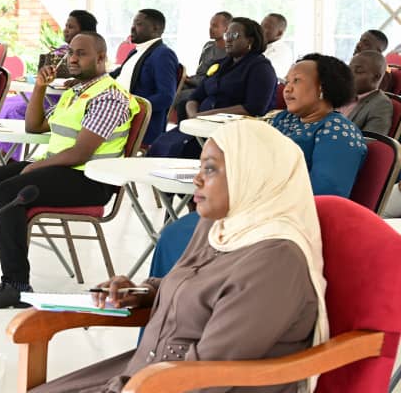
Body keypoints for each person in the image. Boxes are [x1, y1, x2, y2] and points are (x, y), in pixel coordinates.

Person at [33, 120, 327, 393]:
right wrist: (142, 292)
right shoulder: (221, 225)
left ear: (252, 176)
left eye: (210, 169)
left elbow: (206, 376)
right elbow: (198, 289)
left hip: (179, 384)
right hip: (146, 373)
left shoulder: (275, 262)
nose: (196, 179)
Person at [0, 31, 140, 309]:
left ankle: (16, 286)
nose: (73, 59)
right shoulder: (74, 91)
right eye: (72, 53)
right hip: (63, 169)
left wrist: (35, 166)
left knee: (8, 191)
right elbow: (35, 127)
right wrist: (42, 86)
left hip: (90, 179)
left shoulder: (110, 97)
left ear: (102, 58)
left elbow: (81, 153)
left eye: (82, 53)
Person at [150, 53, 366, 279]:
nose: (287, 88)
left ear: (323, 88)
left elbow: (324, 194)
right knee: (175, 233)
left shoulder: (337, 133)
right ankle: (162, 302)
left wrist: (256, 204)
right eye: (288, 81)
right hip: (250, 209)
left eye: (297, 81)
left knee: (186, 236)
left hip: (284, 224)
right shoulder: (283, 120)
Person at [151, 17, 276, 159]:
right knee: (160, 145)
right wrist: (193, 116)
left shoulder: (260, 68)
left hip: (228, 132)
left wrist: (207, 115)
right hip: (199, 125)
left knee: (178, 151)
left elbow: (254, 108)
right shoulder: (221, 65)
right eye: (227, 34)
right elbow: (195, 97)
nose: (228, 39)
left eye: (234, 35)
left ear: (250, 41)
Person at [0, 10, 99, 159]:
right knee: (5, 104)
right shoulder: (63, 51)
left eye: (71, 27)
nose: (66, 30)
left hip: (60, 100)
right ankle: (3, 156)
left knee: (15, 110)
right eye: (66, 26)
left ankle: (9, 159)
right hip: (46, 93)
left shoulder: (92, 58)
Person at [110, 9, 178, 146]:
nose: (132, 28)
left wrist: (129, 106)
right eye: (133, 23)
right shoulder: (136, 51)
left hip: (136, 123)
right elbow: (117, 73)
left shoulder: (163, 54)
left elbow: (165, 97)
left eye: (139, 24)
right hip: (115, 112)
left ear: (155, 28)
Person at [172, 11, 232, 113]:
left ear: (226, 29)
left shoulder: (229, 53)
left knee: (178, 96)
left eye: (215, 26)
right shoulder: (208, 46)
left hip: (206, 88)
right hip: (194, 82)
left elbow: (215, 80)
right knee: (170, 87)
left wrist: (190, 80)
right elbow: (200, 73)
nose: (210, 29)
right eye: (210, 25)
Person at [341, 50, 394, 136]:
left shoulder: (381, 104)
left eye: (358, 71)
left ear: (376, 77)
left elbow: (372, 142)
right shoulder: (340, 94)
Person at [261, 12, 293, 80]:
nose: (261, 29)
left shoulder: (283, 51)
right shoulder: (260, 46)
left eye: (266, 27)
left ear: (279, 33)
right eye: (261, 25)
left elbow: (262, 71)